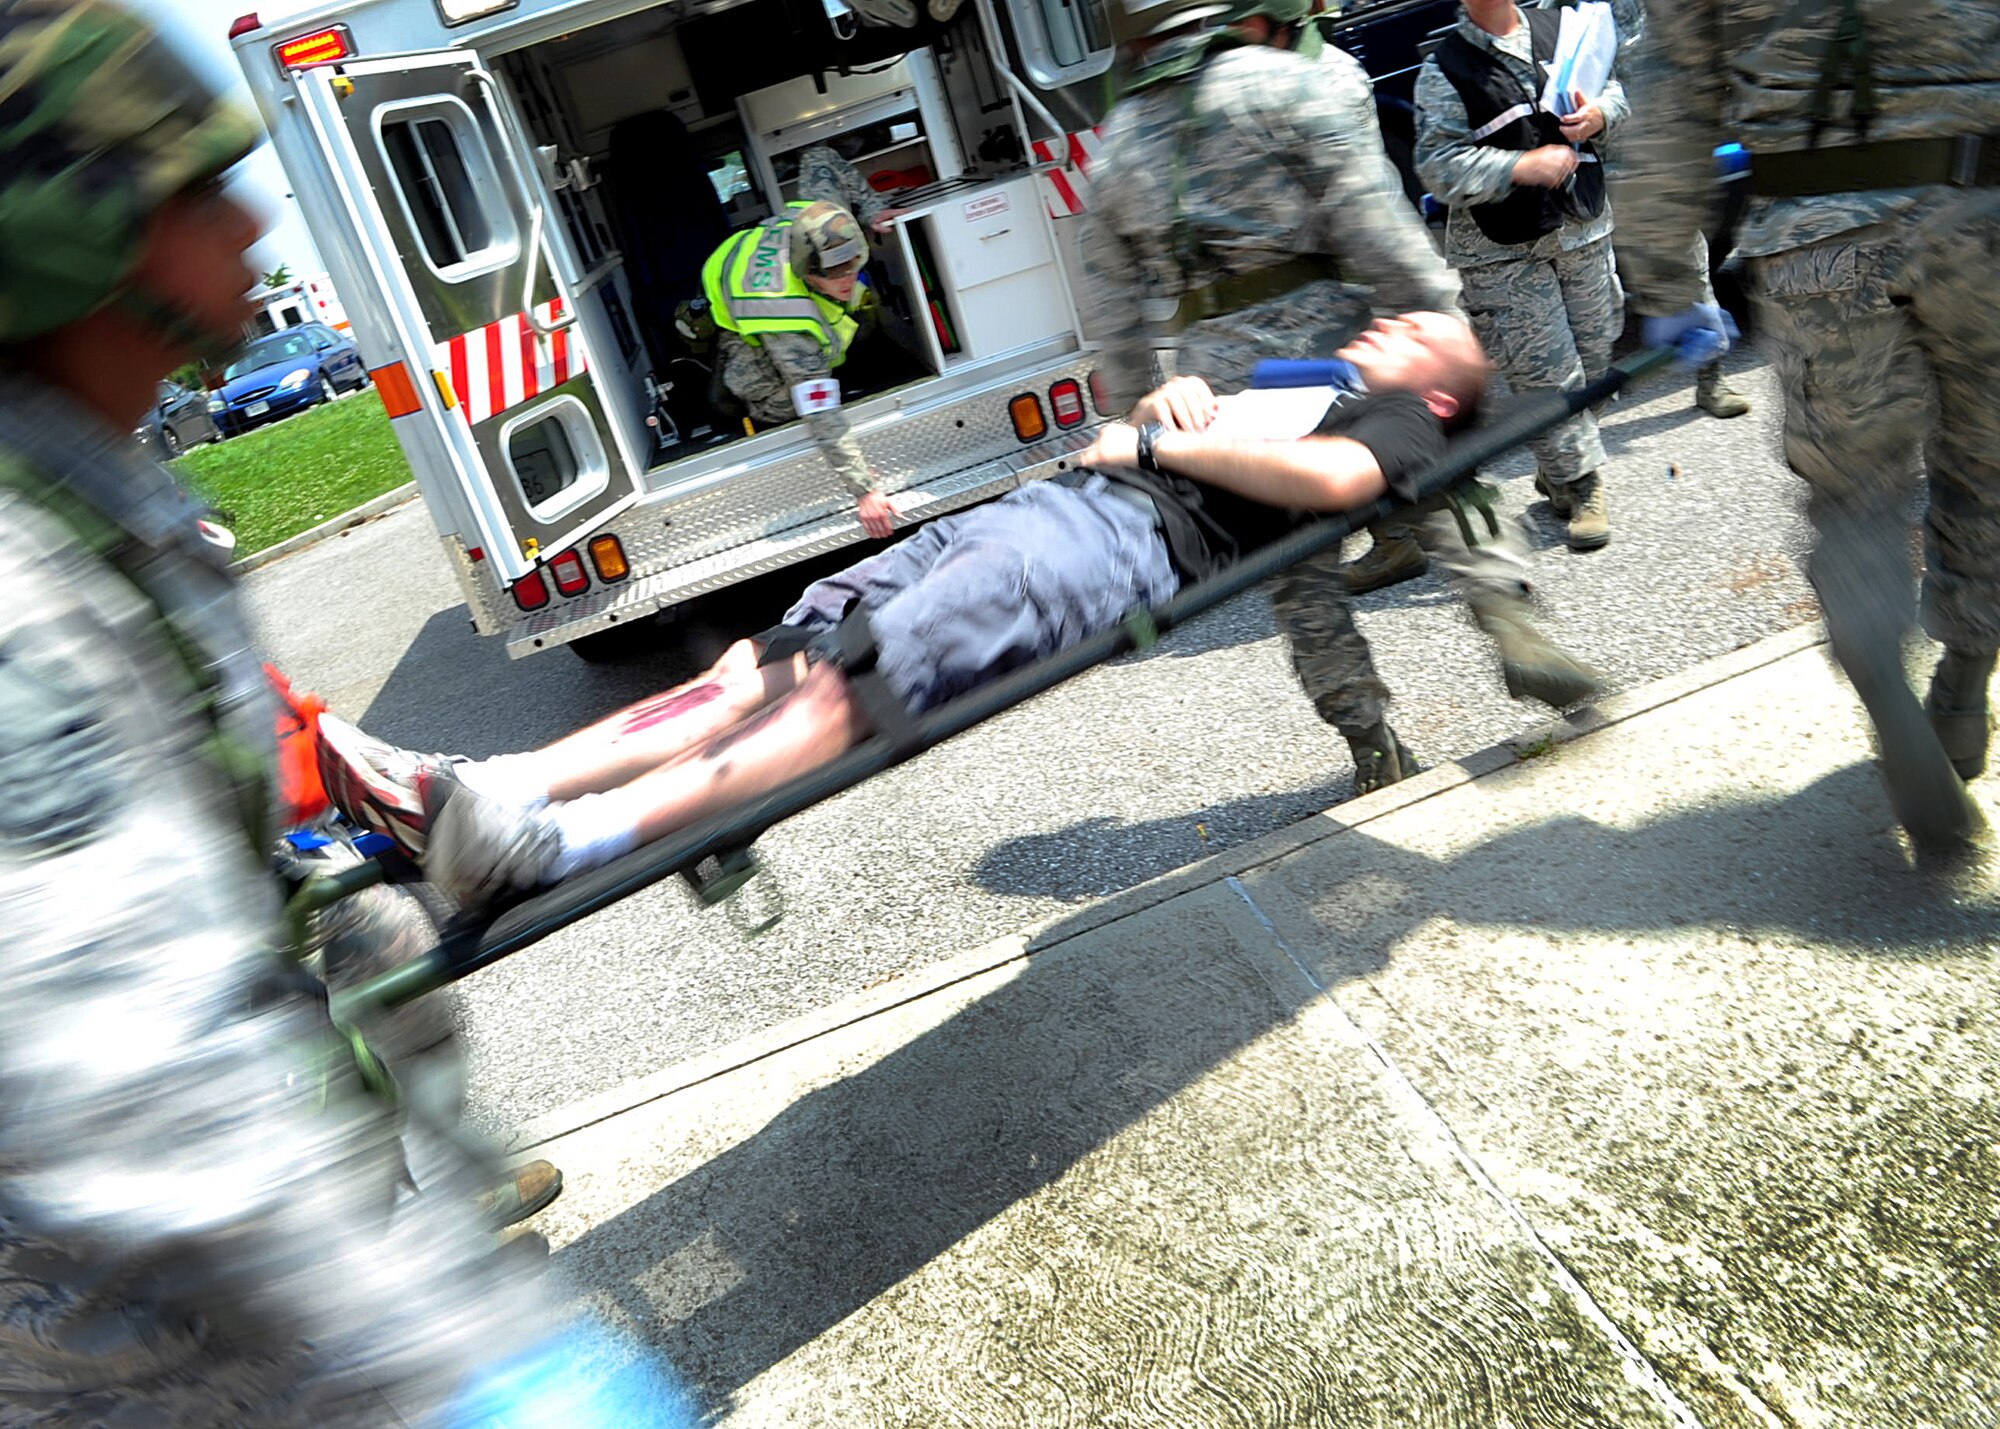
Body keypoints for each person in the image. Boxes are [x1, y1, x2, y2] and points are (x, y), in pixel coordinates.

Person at [0, 3, 688, 1421]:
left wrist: (522, 815)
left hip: (231, 1281)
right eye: (196, 187)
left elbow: (278, 794)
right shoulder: (21, 581)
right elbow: (138, 1089)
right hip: (128, 1340)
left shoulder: (102, 501)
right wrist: (456, 1354)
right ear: (72, 242)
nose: (252, 223)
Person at [320, 314, 1510, 904]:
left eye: (1417, 333)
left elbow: (1335, 486)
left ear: (1443, 399)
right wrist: (1180, 399)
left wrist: (1150, 435)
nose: (1386, 324)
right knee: (765, 661)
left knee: (849, 690)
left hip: (1104, 546)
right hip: (1044, 510)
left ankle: (546, 846)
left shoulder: (1394, 425)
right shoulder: (1310, 381)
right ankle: (491, 786)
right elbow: (1194, 432)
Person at [1080, 0, 1596, 794]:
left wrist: (1139, 407)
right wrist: (1438, 324)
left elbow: (1112, 307)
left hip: (1221, 377)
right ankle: (1512, 622)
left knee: (1294, 562)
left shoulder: (1111, 151)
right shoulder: (1288, 85)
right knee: (1443, 473)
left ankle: (1369, 739)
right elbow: (1375, 226)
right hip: (1341, 339)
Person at [1613, 0, 2000, 853]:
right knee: (1988, 468)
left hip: (1815, 242)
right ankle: (1966, 686)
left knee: (1854, 496)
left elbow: (1670, 105)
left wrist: (1667, 287)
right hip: (1982, 212)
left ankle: (1879, 670)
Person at [1414, 0, 1625, 550]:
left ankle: (1558, 465)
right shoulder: (1445, 68)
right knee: (1547, 376)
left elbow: (1617, 88)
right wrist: (1517, 167)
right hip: (1500, 250)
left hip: (1581, 227)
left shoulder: (1562, 30)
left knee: (1597, 357)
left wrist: (1602, 113)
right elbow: (1437, 166)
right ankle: (1581, 485)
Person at [702, 199, 897, 538]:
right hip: (742, 338)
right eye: (834, 272)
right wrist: (864, 490)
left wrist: (870, 209)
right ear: (806, 270)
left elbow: (822, 159)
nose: (848, 277)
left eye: (853, 263)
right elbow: (819, 408)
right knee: (782, 404)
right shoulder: (784, 316)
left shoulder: (818, 216)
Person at [1599, 0, 1749, 421]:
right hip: (1605, 161)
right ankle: (1584, 408)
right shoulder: (1571, 10)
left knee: (1692, 264)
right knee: (1596, 293)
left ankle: (1711, 380)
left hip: (1664, 162)